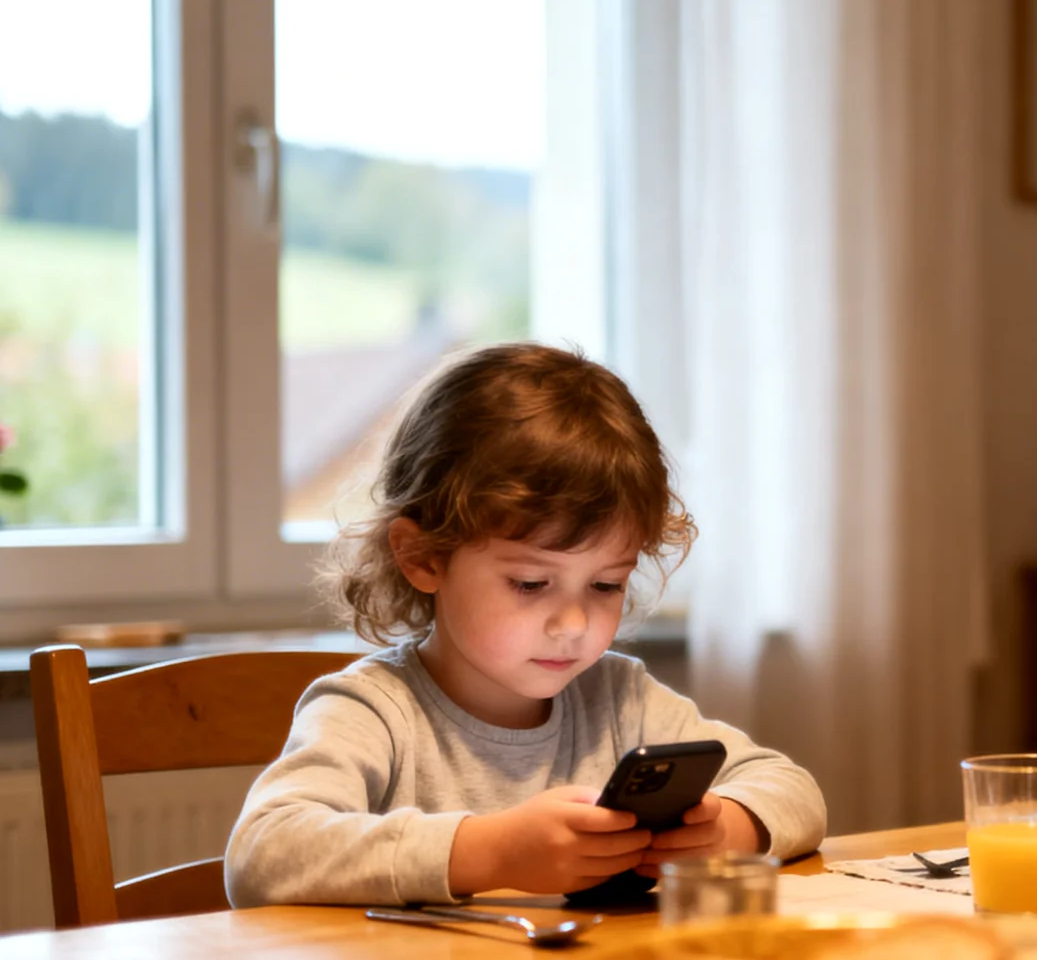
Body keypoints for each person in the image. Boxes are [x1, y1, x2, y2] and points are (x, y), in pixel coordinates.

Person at [226, 343, 827, 906]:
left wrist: (727, 828)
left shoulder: (620, 700)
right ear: (424, 557)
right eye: (531, 584)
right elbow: (262, 854)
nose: (573, 623)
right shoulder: (373, 711)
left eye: (606, 585)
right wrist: (492, 853)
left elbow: (792, 789)